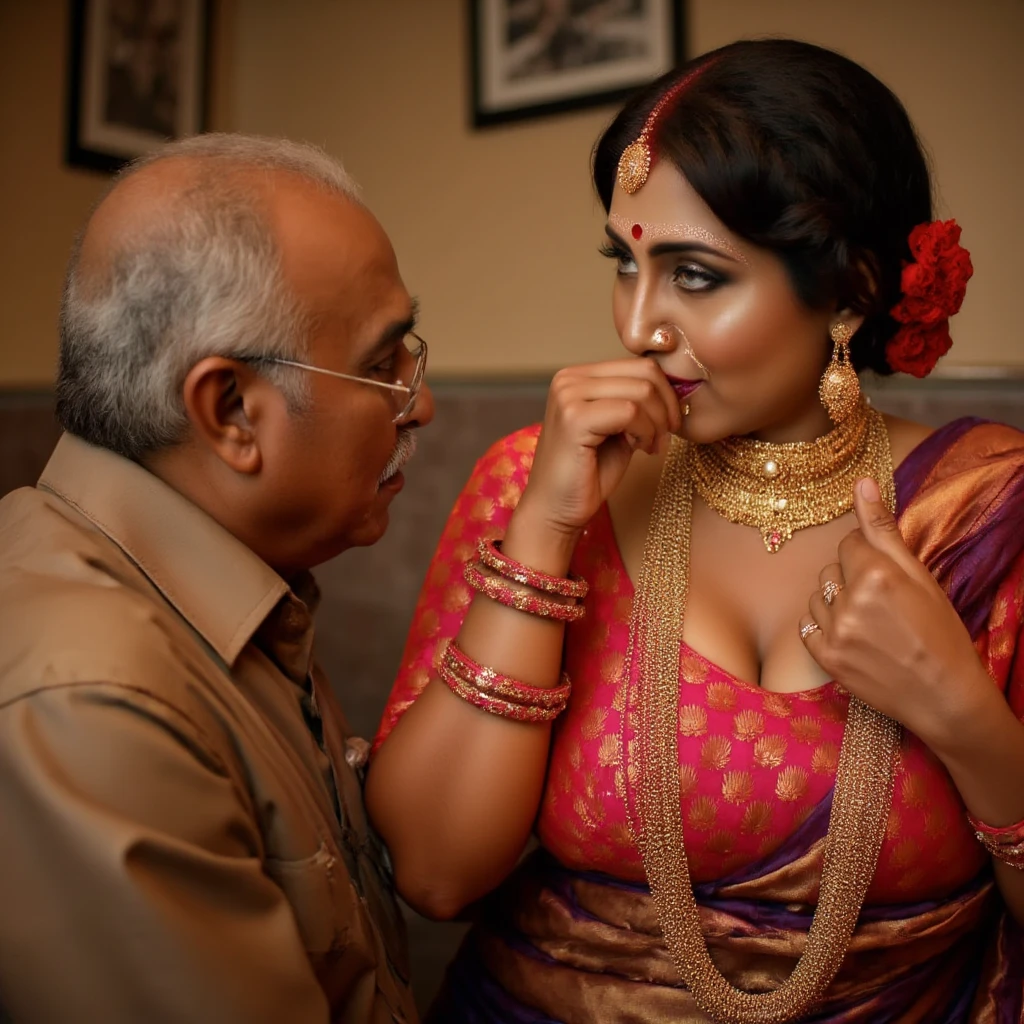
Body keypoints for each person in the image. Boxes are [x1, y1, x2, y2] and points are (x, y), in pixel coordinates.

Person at [367, 39, 1024, 1022]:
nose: (637, 326)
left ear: (847, 289)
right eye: (623, 266)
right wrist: (545, 530)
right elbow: (433, 874)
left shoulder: (986, 512)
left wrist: (963, 716)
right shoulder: (544, 477)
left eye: (696, 276)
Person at [0, 134, 433, 1023]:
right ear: (231, 410)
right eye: (383, 366)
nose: (417, 403)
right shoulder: (96, 695)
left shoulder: (222, 580)